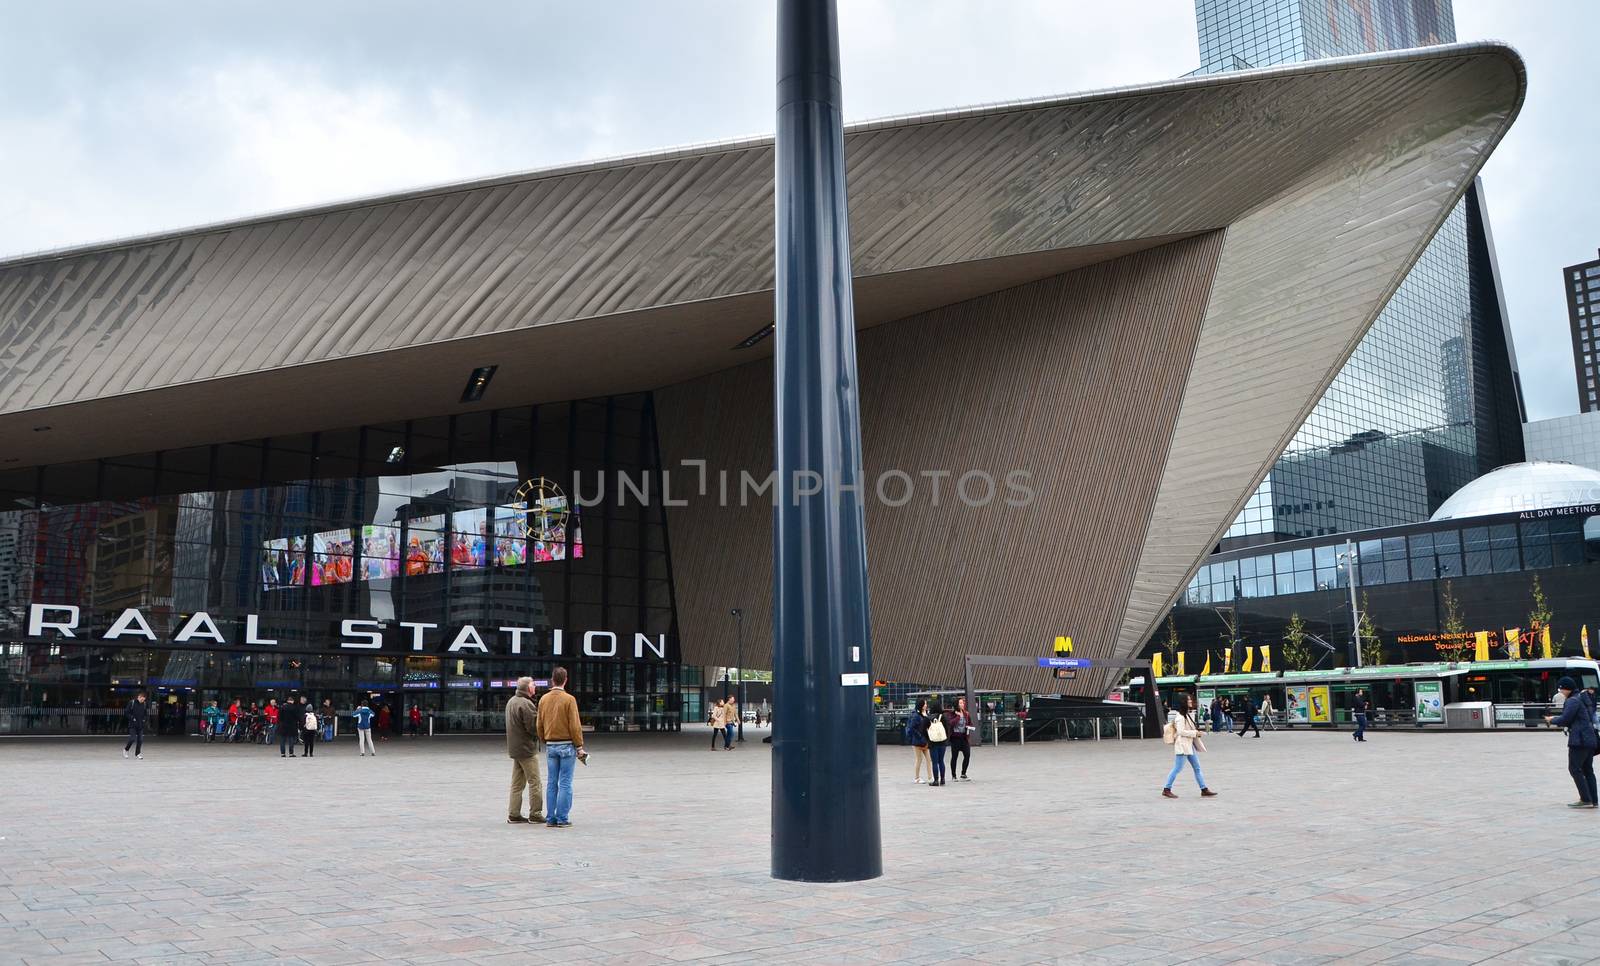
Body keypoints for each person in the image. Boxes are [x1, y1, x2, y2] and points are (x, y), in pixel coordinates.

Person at [536, 666, 586, 828]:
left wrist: (544, 739)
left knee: (552, 782)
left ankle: (550, 818)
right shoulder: (569, 699)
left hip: (551, 745)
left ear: (552, 679)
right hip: (566, 745)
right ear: (565, 680)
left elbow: (539, 724)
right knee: (565, 782)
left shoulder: (544, 699)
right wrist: (579, 746)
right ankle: (562, 818)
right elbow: (575, 726)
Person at [1544, 676, 1598, 808]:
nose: (1560, 691)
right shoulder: (1582, 697)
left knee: (1574, 768)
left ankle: (1585, 799)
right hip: (1590, 738)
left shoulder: (1572, 701)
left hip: (1579, 740)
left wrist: (1551, 719)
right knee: (1588, 770)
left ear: (1566, 688)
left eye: (1561, 688)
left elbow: (1565, 719)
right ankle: (1594, 800)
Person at [505, 677, 545, 825]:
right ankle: (535, 813)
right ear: (527, 688)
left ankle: (513, 813)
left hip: (515, 749)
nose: (535, 687)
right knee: (535, 782)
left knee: (517, 783)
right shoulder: (526, 704)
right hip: (527, 749)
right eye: (533, 685)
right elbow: (533, 728)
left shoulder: (511, 701)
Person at [1162, 693, 1217, 799]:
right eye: (1188, 700)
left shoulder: (1186, 714)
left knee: (1197, 767)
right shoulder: (1180, 717)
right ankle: (1166, 789)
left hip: (1189, 745)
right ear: (1184, 702)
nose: (1191, 701)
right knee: (1177, 768)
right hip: (1183, 745)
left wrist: (1195, 732)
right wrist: (1195, 733)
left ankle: (1204, 789)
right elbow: (1181, 732)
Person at [946, 697, 973, 782]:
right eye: (960, 703)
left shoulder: (966, 714)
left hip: (964, 737)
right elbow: (950, 723)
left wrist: (970, 727)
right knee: (954, 756)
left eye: (963, 703)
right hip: (955, 738)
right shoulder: (952, 714)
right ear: (957, 704)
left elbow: (970, 723)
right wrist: (958, 717)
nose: (962, 704)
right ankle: (954, 775)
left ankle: (963, 773)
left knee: (967, 754)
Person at [926, 701, 951, 787]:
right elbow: (947, 729)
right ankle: (943, 779)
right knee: (941, 761)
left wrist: (928, 738)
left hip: (932, 742)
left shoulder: (928, 718)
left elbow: (923, 729)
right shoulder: (943, 717)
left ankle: (936, 780)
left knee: (934, 762)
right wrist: (946, 739)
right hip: (942, 742)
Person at [908, 700, 931, 784]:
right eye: (925, 704)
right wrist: (919, 736)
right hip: (917, 741)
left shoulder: (926, 714)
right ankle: (917, 778)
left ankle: (930, 777)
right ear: (921, 705)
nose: (926, 705)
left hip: (925, 740)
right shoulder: (916, 716)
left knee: (929, 759)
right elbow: (912, 728)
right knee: (919, 759)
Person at [123, 691, 149, 759]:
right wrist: (132, 718)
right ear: (138, 697)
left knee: (140, 740)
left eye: (144, 700)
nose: (142, 701)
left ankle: (138, 753)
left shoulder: (144, 704)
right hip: (133, 725)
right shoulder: (132, 702)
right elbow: (126, 712)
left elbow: (146, 714)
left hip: (140, 725)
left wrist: (144, 719)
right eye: (142, 699)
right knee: (132, 739)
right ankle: (126, 750)